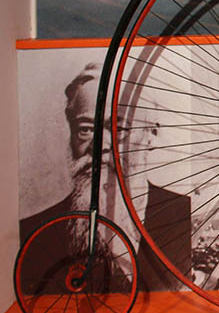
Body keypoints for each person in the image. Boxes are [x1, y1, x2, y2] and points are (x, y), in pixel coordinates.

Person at [18, 63, 189, 291]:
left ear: (151, 135)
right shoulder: (33, 235)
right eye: (85, 130)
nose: (100, 146)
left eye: (119, 130)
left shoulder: (184, 214)